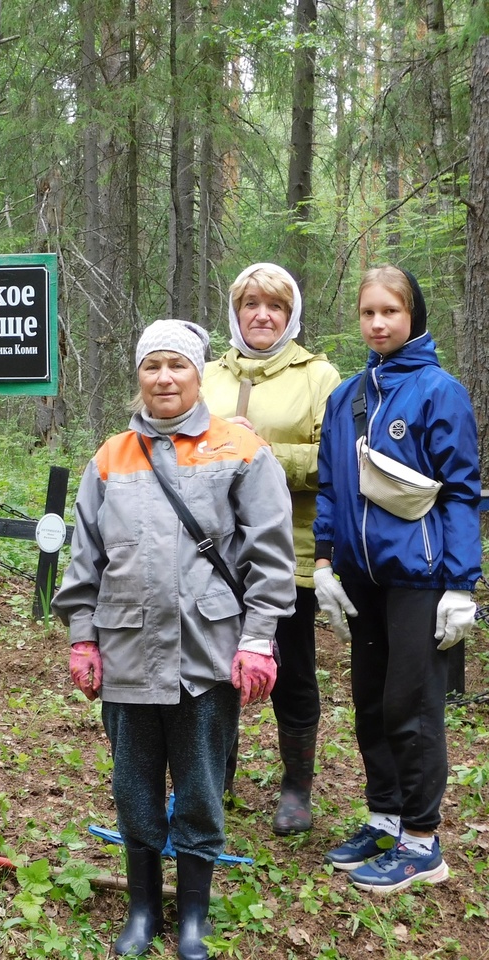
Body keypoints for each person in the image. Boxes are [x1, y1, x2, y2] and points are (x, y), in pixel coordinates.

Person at [53, 319, 295, 959]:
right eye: (152, 366)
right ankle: (142, 910)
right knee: (133, 788)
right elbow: (86, 558)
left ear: (199, 374)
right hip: (128, 651)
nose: (164, 378)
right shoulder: (110, 456)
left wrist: (260, 638)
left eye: (177, 366)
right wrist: (83, 637)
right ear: (138, 374)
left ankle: (193, 915)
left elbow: (272, 556)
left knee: (200, 789)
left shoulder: (240, 449)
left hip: (208, 654)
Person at [314, 267, 481, 893]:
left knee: (411, 707)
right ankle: (385, 817)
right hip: (362, 579)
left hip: (421, 577)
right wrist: (325, 563)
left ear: (414, 315)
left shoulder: (441, 393)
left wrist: (462, 584)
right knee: (371, 704)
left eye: (391, 311)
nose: (378, 323)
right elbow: (332, 485)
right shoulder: (347, 397)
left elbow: (462, 493)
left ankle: (422, 839)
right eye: (368, 313)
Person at [201, 262, 341, 835]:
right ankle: (217, 776)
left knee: (293, 668)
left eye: (275, 306)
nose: (262, 315)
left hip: (289, 551)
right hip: (210, 553)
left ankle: (295, 788)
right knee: (211, 668)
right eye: (251, 304)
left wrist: (260, 453)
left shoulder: (318, 376)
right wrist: (216, 443)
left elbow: (335, 464)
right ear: (235, 312)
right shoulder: (204, 373)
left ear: (291, 315)